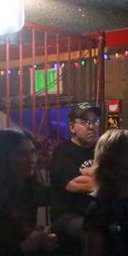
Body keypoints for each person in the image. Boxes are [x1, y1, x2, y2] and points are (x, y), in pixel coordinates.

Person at [49, 102, 101, 241]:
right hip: (69, 215)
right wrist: (108, 181)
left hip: (97, 212)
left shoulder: (103, 150)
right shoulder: (62, 152)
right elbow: (76, 184)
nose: (91, 126)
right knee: (94, 231)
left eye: (95, 121)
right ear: (72, 127)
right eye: (85, 122)